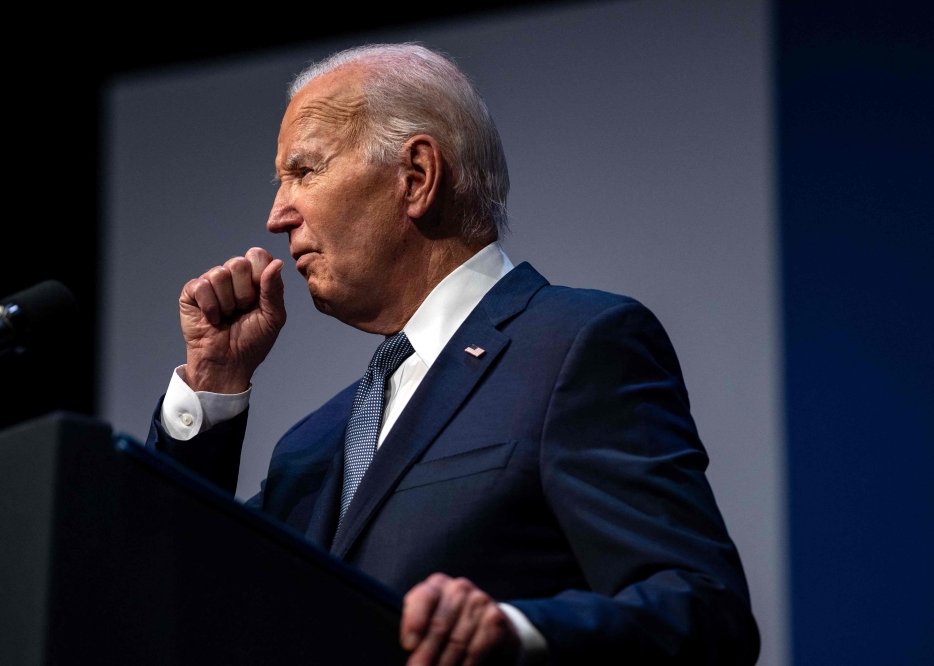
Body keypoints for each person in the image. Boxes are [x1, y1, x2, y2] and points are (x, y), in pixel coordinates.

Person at [146, 44, 760, 666]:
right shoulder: (312, 447)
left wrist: (515, 634)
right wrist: (213, 380)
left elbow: (706, 611)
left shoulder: (576, 347)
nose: (277, 215)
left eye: (304, 172)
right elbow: (172, 593)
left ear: (416, 177)